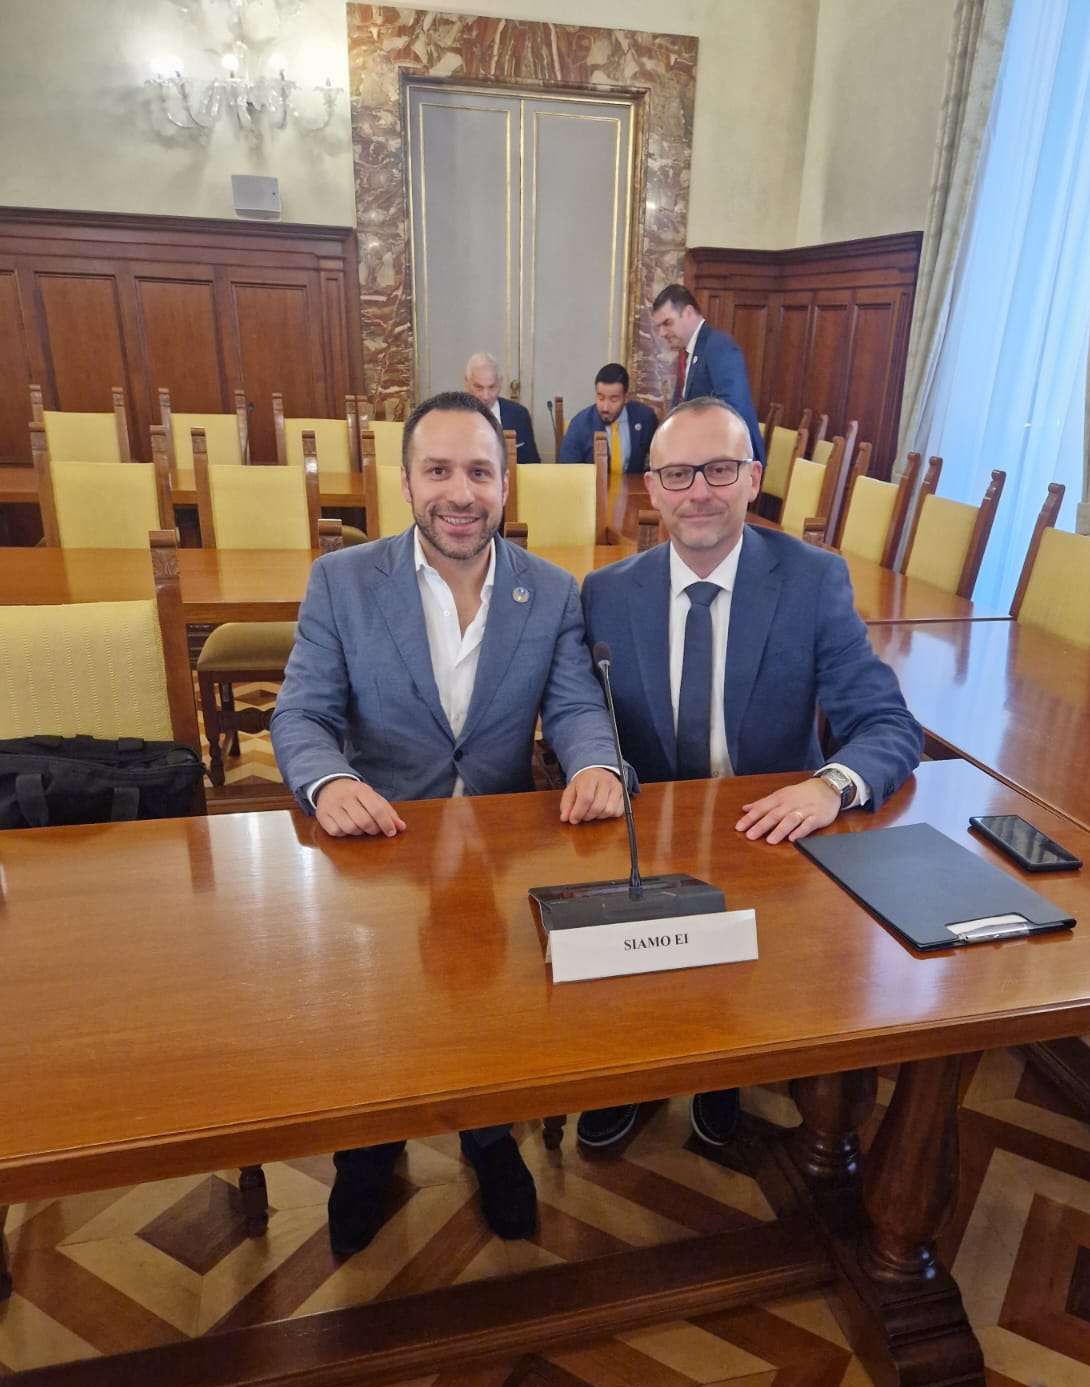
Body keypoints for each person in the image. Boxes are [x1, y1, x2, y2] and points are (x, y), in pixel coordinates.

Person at [272, 391, 626, 1253]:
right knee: (381, 1006)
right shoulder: (342, 582)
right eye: (438, 471)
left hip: (501, 852)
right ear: (405, 483)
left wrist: (596, 763)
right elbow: (302, 714)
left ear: (505, 484)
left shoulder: (551, 591)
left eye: (478, 472)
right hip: (381, 846)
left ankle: (488, 1136)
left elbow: (576, 706)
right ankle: (368, 1148)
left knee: (494, 1006)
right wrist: (327, 781)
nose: (459, 493)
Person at [576, 396, 922, 1150]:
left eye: (720, 469)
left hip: (764, 838)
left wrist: (830, 785)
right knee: (631, 976)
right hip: (647, 832)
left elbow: (889, 726)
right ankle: (631, 1073)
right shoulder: (606, 593)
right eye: (677, 474)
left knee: (741, 979)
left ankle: (723, 1068)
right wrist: (597, 766)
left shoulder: (812, 581)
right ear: (652, 488)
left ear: (754, 478)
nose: (699, 491)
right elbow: (582, 714)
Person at [651, 285, 765, 463]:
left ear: (688, 312)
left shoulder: (718, 346)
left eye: (667, 323)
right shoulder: (690, 352)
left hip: (730, 461)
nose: (661, 333)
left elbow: (732, 410)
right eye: (658, 327)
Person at [559, 362, 658, 474]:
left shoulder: (645, 418)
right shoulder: (579, 425)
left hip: (633, 484)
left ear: (626, 398)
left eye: (614, 400)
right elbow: (567, 472)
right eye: (600, 398)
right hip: (592, 485)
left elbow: (659, 461)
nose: (605, 407)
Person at [464, 351, 540, 462]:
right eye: (479, 387)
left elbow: (532, 464)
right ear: (467, 383)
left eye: (492, 387)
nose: (486, 396)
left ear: (500, 383)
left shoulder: (519, 415)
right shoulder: (454, 416)